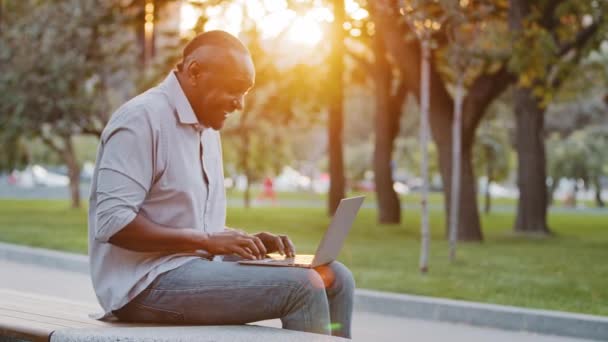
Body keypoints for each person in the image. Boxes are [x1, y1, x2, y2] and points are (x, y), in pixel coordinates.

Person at [87, 30, 355, 338]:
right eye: (234, 89)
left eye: (246, 92)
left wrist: (240, 241)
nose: (240, 104)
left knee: (335, 276)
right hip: (142, 285)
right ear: (195, 72)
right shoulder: (140, 120)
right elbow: (112, 223)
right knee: (301, 287)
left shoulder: (207, 129)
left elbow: (190, 224)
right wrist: (206, 241)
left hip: (193, 269)